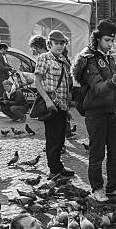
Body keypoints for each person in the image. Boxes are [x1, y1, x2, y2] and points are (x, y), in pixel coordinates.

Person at [72, 20, 116, 202]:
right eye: (107, 40)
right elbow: (98, 88)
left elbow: (114, 90)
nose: (110, 44)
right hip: (95, 113)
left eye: (112, 40)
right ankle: (97, 188)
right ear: (97, 39)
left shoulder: (109, 58)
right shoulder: (89, 59)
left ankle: (113, 186)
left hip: (110, 112)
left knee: (115, 151)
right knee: (97, 153)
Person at [34, 30, 74, 180]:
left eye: (62, 43)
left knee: (60, 139)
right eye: (56, 43)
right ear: (49, 44)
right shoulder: (44, 58)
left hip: (62, 105)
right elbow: (37, 81)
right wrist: (47, 100)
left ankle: (58, 167)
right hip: (51, 104)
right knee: (52, 139)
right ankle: (53, 171)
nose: (59, 46)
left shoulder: (63, 59)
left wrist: (67, 107)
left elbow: (66, 83)